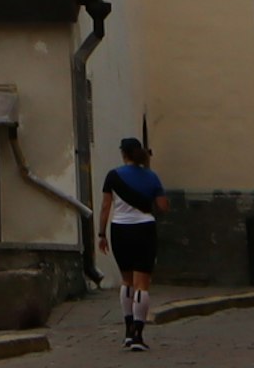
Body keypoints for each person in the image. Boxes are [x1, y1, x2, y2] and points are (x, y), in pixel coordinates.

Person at [102, 137, 167, 351]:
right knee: (142, 283)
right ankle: (138, 334)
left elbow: (105, 207)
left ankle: (128, 330)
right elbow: (162, 205)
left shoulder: (113, 176)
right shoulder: (151, 176)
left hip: (120, 229)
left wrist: (102, 234)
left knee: (127, 280)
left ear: (123, 154)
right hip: (144, 229)